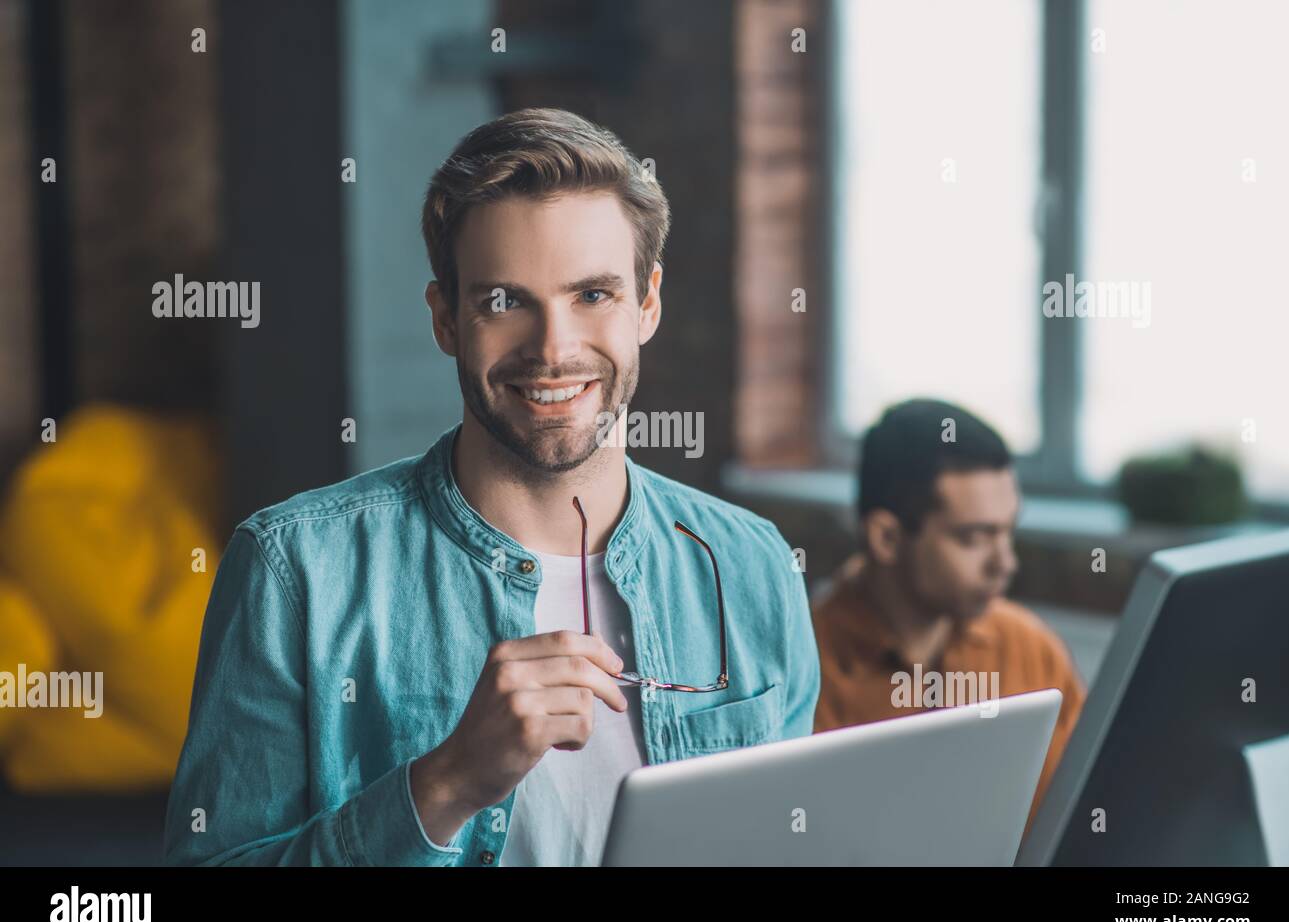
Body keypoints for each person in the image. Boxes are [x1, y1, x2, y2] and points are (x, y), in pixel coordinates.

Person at [163, 107, 819, 867]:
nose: (554, 349)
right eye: (504, 302)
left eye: (593, 296)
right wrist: (448, 783)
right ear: (446, 319)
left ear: (648, 303)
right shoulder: (295, 572)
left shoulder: (753, 566)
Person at [813, 399, 1085, 830]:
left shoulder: (1031, 649)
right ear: (886, 537)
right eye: (975, 537)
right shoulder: (806, 671)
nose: (1006, 563)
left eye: (1008, 531)